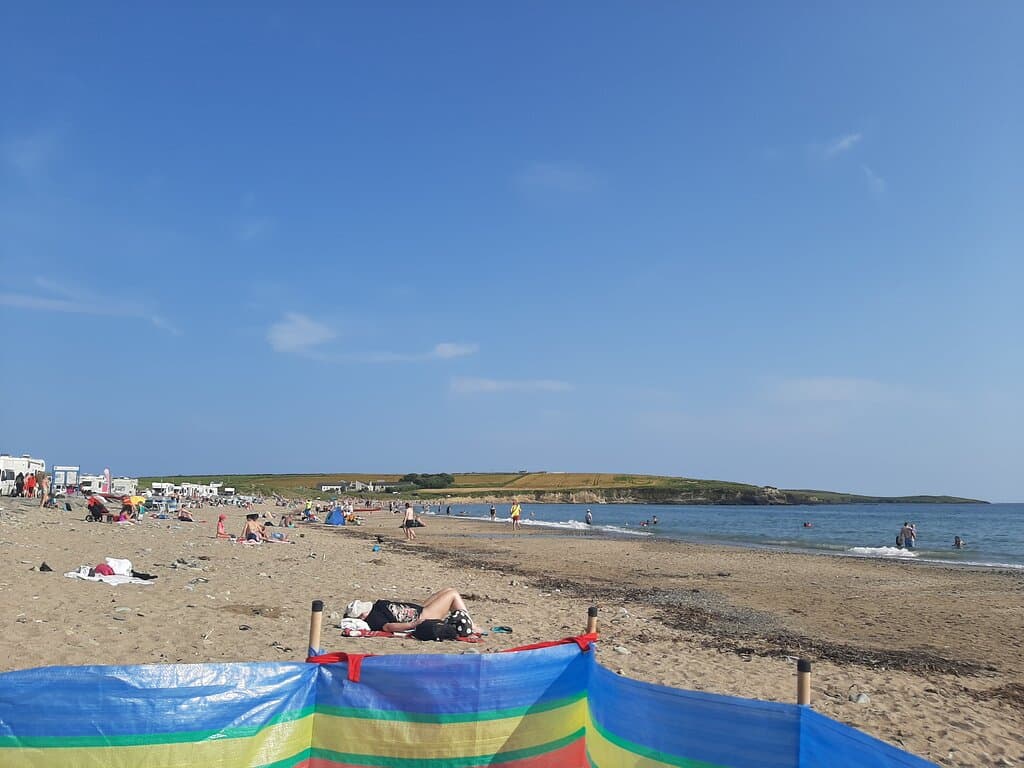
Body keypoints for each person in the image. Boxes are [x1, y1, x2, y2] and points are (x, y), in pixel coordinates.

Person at [345, 587, 479, 633]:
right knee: (453, 594)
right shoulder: (373, 619)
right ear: (362, 616)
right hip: (423, 616)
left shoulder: (376, 606)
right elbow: (388, 627)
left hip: (420, 608)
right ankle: (471, 625)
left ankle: (469, 623)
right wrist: (413, 624)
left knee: (447, 590)